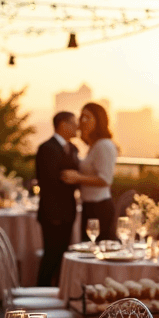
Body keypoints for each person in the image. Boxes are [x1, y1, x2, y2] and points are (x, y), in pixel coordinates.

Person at [61, 101, 118, 242]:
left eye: (88, 117)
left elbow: (106, 180)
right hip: (89, 206)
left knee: (97, 252)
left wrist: (77, 178)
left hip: (99, 208)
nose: (83, 121)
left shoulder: (104, 145)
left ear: (99, 121)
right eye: (82, 117)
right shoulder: (93, 146)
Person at [35, 110, 79, 286]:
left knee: (63, 256)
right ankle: (41, 293)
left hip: (69, 213)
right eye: (74, 123)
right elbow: (48, 181)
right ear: (63, 125)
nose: (77, 127)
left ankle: (59, 293)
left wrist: (75, 178)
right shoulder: (47, 148)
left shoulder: (74, 148)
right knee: (51, 256)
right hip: (52, 213)